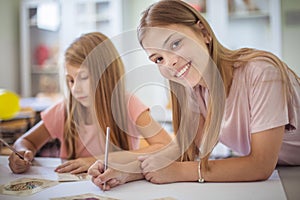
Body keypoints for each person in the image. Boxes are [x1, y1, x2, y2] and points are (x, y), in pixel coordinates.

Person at [134, 0, 300, 184]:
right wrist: (127, 172)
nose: (169, 62)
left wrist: (180, 171)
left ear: (204, 33)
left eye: (175, 44)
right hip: (287, 174)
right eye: (158, 58)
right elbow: (186, 149)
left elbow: (260, 165)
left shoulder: (262, 73)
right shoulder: (194, 88)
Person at [8, 32, 171, 178]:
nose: (75, 88)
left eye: (83, 77)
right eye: (70, 80)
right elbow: (26, 142)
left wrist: (96, 160)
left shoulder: (127, 104)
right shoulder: (65, 110)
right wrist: (22, 153)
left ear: (105, 75)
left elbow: (165, 146)